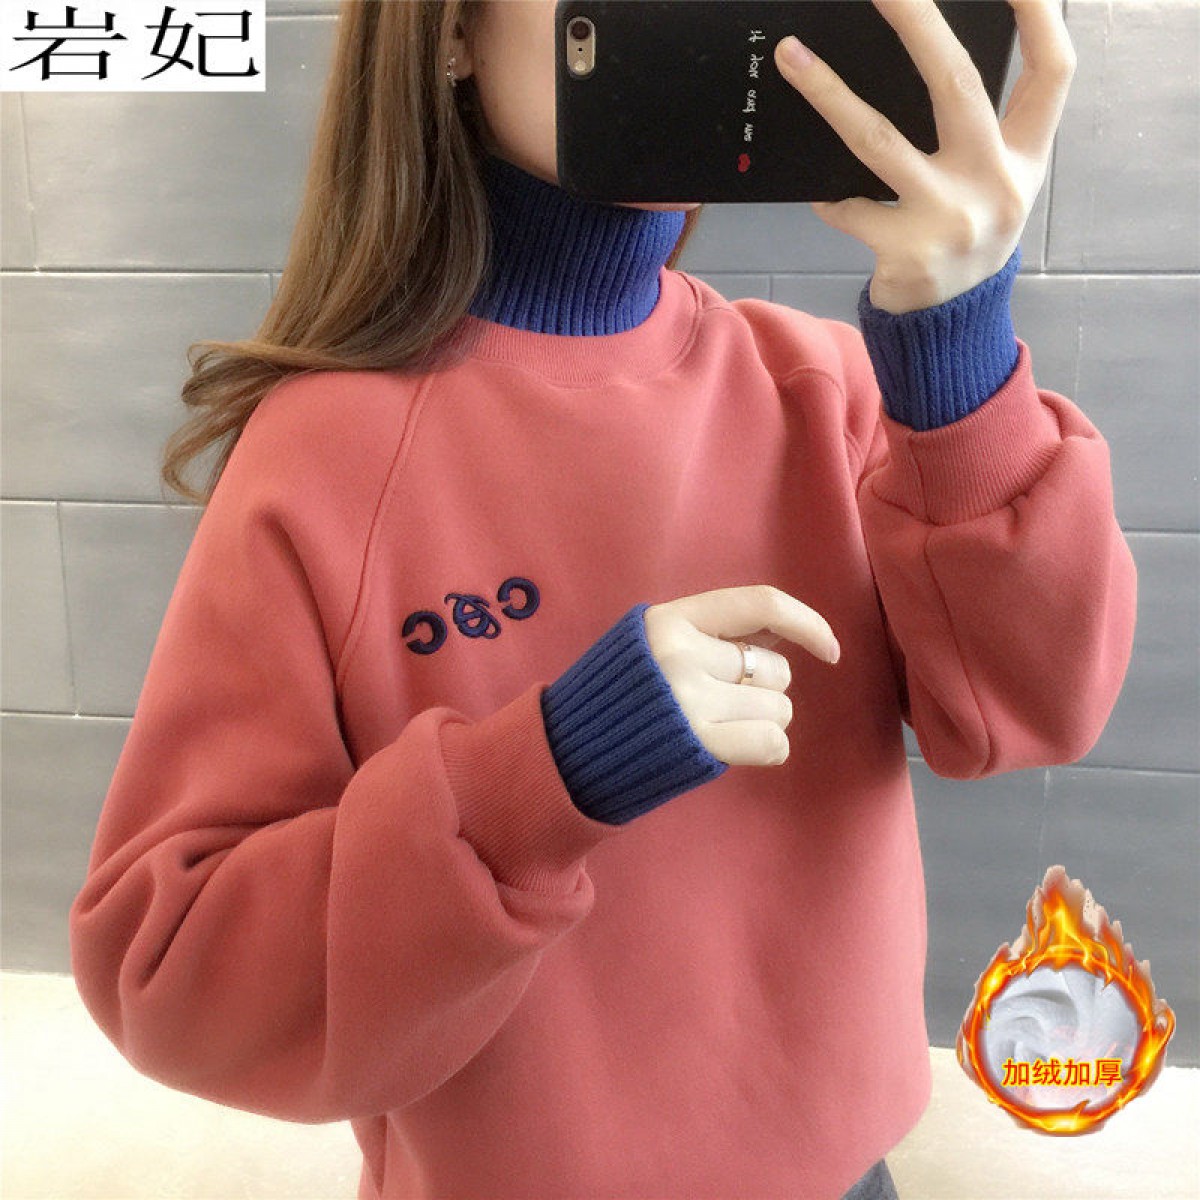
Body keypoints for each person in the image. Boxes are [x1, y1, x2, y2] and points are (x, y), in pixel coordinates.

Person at [68, 2, 1131, 1198]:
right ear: (450, 33)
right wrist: (544, 774)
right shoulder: (324, 459)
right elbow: (169, 970)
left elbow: (1037, 707)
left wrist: (960, 343)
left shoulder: (824, 389)